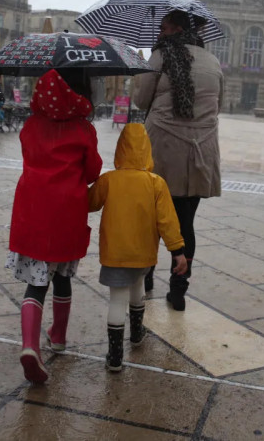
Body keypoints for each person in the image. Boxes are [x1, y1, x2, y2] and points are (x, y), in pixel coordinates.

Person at [5, 68, 102, 384]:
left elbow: (28, 156)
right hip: (66, 216)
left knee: (36, 283)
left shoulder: (32, 125)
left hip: (33, 212)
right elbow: (91, 173)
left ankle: (31, 346)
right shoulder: (83, 129)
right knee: (62, 277)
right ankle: (58, 336)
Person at [133, 10, 224, 311]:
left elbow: (140, 100)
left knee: (150, 218)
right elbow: (217, 107)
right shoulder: (212, 61)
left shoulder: (160, 57)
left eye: (164, 26)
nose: (159, 32)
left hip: (162, 149)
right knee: (185, 222)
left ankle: (145, 277)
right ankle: (179, 291)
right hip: (200, 154)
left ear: (176, 28)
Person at [88, 123, 187, 372]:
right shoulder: (156, 183)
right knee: (138, 286)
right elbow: (167, 221)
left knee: (116, 300)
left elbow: (88, 204)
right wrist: (177, 251)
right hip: (143, 254)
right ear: (147, 151)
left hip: (114, 254)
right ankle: (136, 333)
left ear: (120, 149)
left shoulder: (108, 180)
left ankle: (115, 356)